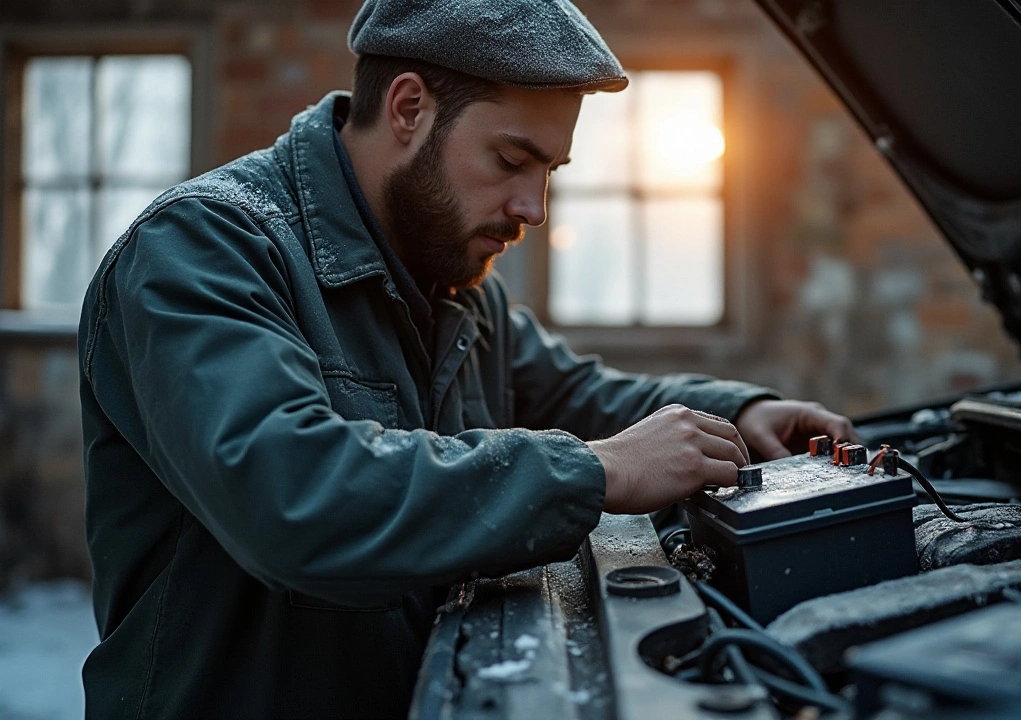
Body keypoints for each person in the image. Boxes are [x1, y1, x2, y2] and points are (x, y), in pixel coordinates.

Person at [77, 0, 854, 717]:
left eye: (549, 172)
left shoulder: (450, 279)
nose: (534, 210)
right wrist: (598, 472)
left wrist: (738, 414)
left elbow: (572, 393)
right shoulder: (202, 250)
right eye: (512, 159)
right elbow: (293, 495)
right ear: (409, 108)